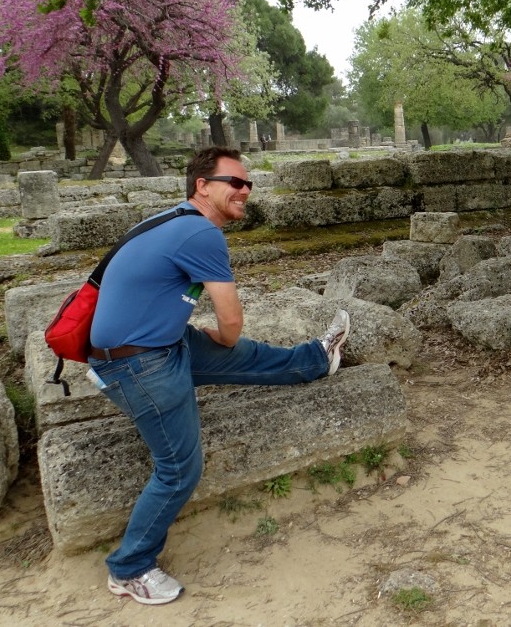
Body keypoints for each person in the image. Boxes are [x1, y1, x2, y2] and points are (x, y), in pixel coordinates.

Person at [88, 146, 350, 605]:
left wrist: (213, 342)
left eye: (248, 183)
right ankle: (130, 568)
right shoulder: (202, 234)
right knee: (178, 470)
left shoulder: (171, 219)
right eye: (235, 182)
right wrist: (223, 341)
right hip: (138, 363)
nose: (245, 190)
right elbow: (230, 320)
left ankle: (316, 358)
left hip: (157, 344)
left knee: (243, 356)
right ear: (202, 186)